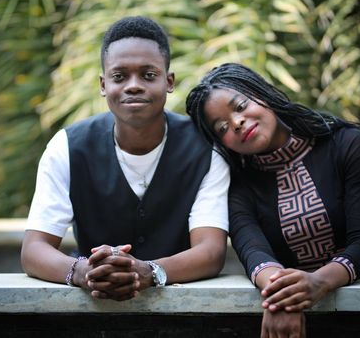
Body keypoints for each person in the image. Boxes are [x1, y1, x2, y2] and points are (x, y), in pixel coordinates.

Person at [21, 16, 230, 301]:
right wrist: (82, 271)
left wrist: (150, 271)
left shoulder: (205, 149)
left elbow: (211, 252)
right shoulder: (67, 147)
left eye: (148, 75)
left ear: (168, 81)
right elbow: (34, 249)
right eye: (119, 77)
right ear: (103, 84)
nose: (133, 86)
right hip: (94, 312)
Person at [186, 63, 360, 337]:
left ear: (261, 94)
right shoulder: (239, 182)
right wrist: (287, 297)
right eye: (222, 127)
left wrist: (316, 282)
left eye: (240, 106)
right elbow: (253, 252)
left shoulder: (348, 145)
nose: (237, 122)